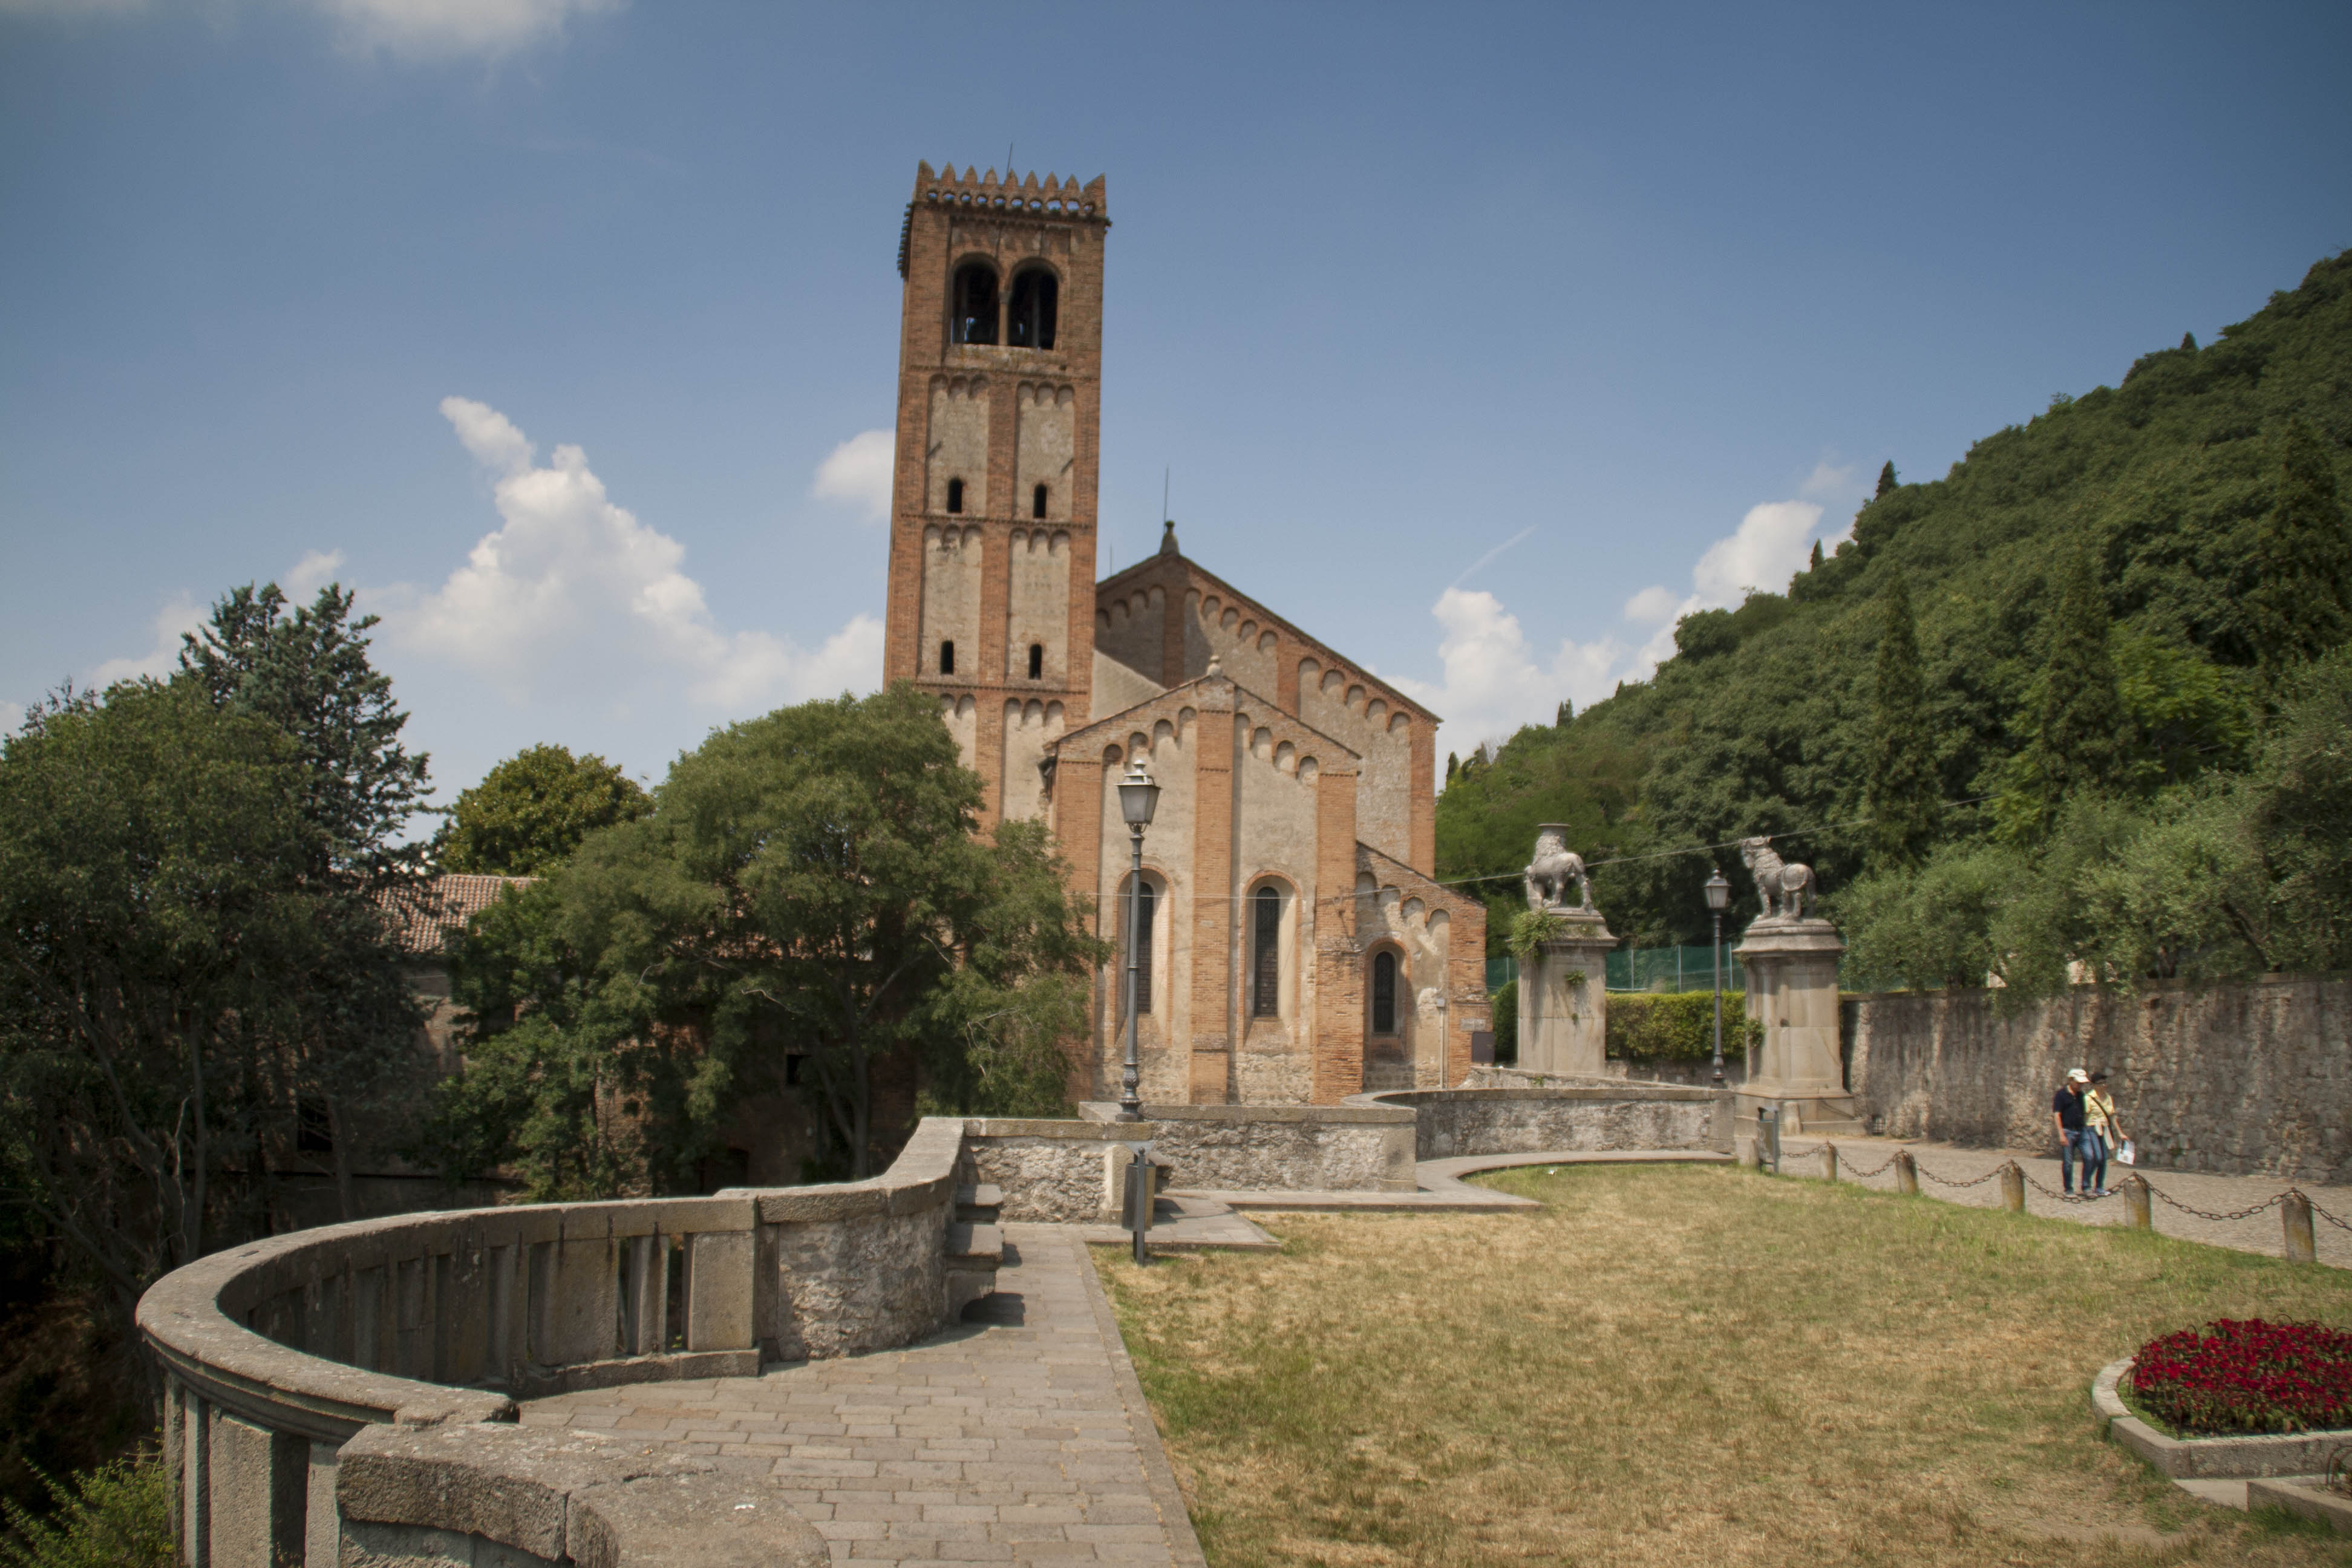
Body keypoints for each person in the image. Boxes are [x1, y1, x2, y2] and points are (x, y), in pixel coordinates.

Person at [2084, 1072, 2126, 1196]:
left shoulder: (2108, 1098)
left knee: (2104, 1159)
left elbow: (2112, 1117)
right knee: (2098, 1157)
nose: (2104, 1085)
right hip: (2092, 1128)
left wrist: (2120, 1133)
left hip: (2105, 1129)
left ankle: (2099, 1187)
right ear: (2094, 1085)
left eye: (2105, 1083)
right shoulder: (2088, 1098)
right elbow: (2085, 1117)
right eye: (2101, 1083)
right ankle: (2086, 1182)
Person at [2053, 1068, 2093, 1196]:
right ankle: (2068, 1189)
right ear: (2071, 1080)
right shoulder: (2061, 1095)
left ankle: (2086, 1186)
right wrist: (2061, 1134)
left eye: (2082, 1083)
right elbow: (2057, 1115)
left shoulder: (2081, 1096)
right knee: (2068, 1162)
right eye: (2078, 1082)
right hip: (2068, 1131)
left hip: (2081, 1130)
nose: (2080, 1085)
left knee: (2090, 1157)